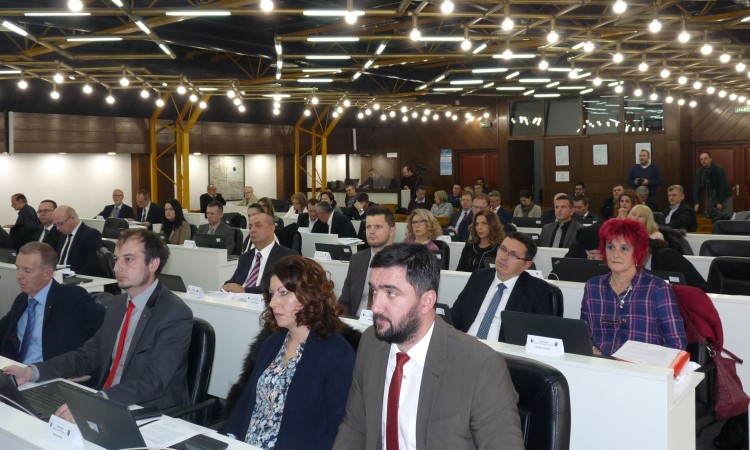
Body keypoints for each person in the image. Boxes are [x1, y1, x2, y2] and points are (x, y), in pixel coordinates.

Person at [333, 244, 524, 450]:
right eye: (374, 291)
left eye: (390, 293)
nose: (375, 306)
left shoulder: (481, 366)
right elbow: (355, 427)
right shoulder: (371, 343)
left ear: (427, 301)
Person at [4, 229, 194, 414]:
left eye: (128, 259)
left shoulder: (174, 313)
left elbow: (154, 381)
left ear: (153, 264)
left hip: (148, 410)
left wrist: (99, 401)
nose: (117, 268)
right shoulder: (118, 304)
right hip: (106, 398)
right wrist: (31, 372)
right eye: (116, 259)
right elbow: (86, 356)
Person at [223, 256, 355, 448]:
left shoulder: (336, 354)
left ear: (309, 295)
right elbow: (246, 402)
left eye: (283, 293)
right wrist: (229, 439)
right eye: (272, 294)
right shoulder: (272, 342)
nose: (273, 303)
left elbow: (338, 429)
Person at [580, 219, 687, 356]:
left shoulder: (657, 289)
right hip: (601, 365)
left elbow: (677, 345)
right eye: (610, 247)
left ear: (637, 252)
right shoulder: (593, 287)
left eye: (624, 248)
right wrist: (590, 350)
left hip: (644, 366)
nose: (615, 254)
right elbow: (583, 336)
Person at [0, 242, 105, 364]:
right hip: (16, 369)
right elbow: (3, 329)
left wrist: (85, 367)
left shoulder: (72, 297)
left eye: (27, 271)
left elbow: (107, 331)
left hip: (51, 371)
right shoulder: (23, 299)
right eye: (18, 268)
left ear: (48, 274)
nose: (18, 276)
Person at [452, 232, 557, 340]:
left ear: (526, 264)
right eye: (502, 249)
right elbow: (454, 317)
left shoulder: (537, 290)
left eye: (513, 255)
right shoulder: (479, 277)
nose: (504, 257)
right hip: (466, 343)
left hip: (502, 349)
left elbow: (540, 335)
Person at [338, 206, 396, 317]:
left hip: (386, 323)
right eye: (368, 227)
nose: (371, 231)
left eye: (378, 227)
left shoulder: (403, 262)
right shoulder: (357, 259)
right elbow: (345, 300)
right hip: (355, 321)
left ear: (392, 231)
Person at [224, 213, 298, 294]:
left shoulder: (287, 256)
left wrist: (245, 291)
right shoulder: (245, 257)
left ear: (272, 229)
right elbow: (234, 281)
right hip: (237, 299)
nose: (252, 230)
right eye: (250, 227)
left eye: (258, 226)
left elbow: (281, 286)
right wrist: (226, 287)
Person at [54, 205, 103, 276]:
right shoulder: (63, 235)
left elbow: (92, 266)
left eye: (60, 223)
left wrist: (71, 276)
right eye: (55, 225)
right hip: (59, 277)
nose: (58, 228)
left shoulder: (91, 234)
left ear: (72, 218)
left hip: (79, 278)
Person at [694, 152, 732, 219]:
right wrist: (697, 202)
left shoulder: (718, 169)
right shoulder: (700, 171)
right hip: (710, 194)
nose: (703, 161)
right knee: (711, 215)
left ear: (710, 159)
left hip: (723, 194)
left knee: (727, 215)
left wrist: (720, 201)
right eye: (701, 159)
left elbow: (723, 186)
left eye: (705, 158)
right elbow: (697, 187)